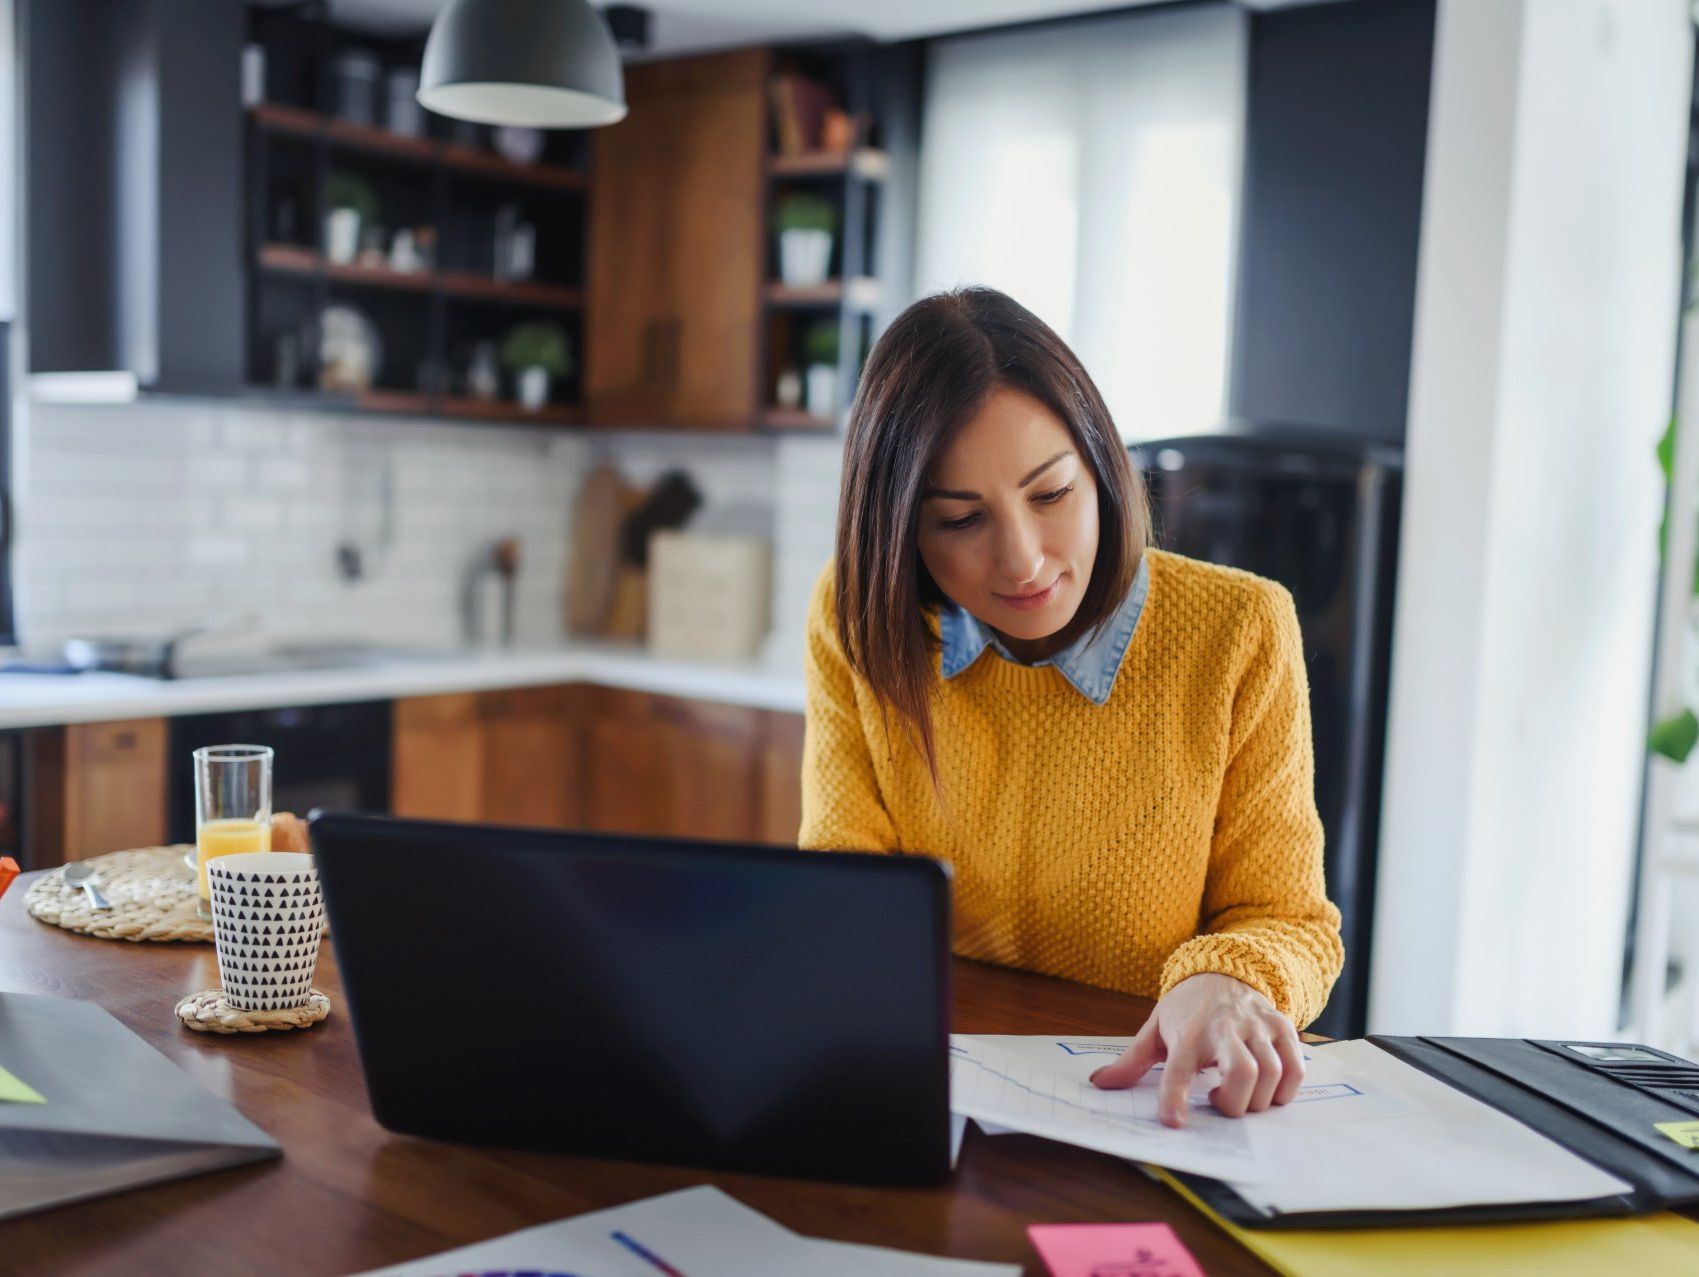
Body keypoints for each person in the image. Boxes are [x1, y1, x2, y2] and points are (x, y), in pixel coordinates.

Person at [800, 287, 1343, 1127]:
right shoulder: (859, 619)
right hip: (929, 1092)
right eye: (958, 519)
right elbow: (845, 892)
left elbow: (1290, 920)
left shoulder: (1239, 628)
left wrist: (1228, 977)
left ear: (1100, 465)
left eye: (1050, 495)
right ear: (901, 530)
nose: (1021, 559)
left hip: (1157, 1110)